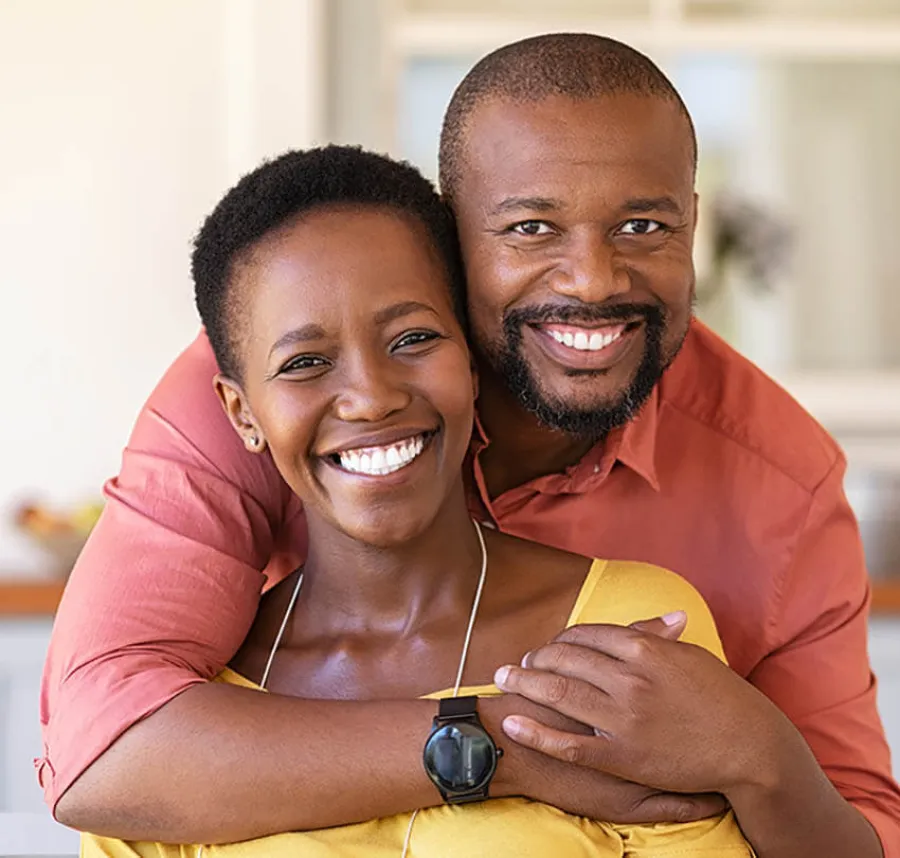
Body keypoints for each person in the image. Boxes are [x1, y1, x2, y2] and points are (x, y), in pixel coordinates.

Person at [42, 33, 899, 858]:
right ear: (453, 242)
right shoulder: (279, 385)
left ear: (694, 224)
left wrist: (758, 755)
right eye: (530, 228)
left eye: (643, 226)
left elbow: (859, 829)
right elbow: (101, 745)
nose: (593, 280)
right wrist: (496, 745)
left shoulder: (780, 485)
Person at [83, 143, 754, 857]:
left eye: (412, 339)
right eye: (304, 363)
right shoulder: (171, 743)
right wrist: (499, 748)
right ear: (242, 413)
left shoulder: (622, 633)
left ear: (472, 361)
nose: (371, 398)